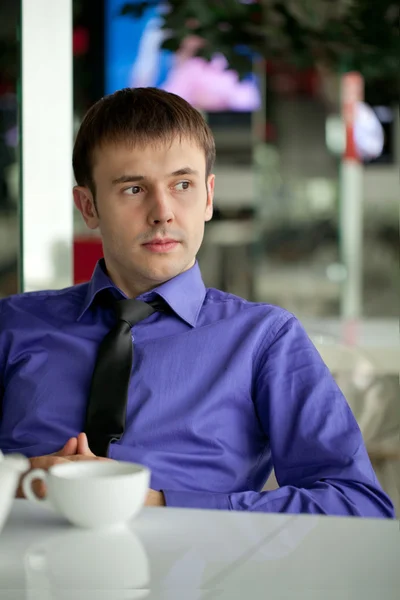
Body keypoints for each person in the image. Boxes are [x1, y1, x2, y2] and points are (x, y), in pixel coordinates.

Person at [0, 87, 394, 517]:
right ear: (88, 206)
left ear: (208, 197)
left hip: (197, 579)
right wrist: (16, 478)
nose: (163, 212)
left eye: (182, 184)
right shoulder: (12, 324)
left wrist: (157, 503)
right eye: (133, 189)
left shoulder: (265, 340)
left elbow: (358, 504)